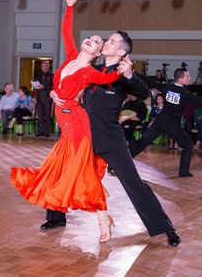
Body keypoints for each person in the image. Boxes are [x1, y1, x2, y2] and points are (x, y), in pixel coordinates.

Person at [44, 18, 181, 247]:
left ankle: (166, 228)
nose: (107, 42)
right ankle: (56, 217)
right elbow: (67, 86)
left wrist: (129, 74)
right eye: (107, 39)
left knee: (134, 183)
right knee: (61, 173)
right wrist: (53, 94)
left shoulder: (123, 75)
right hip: (84, 135)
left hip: (111, 139)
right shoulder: (91, 69)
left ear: (121, 51)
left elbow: (143, 91)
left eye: (112, 41)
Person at [11, 0, 121, 242]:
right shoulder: (71, 57)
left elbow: (110, 77)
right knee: (62, 172)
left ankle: (103, 219)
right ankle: (78, 216)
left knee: (79, 173)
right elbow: (65, 32)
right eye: (90, 38)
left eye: (95, 42)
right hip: (65, 121)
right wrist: (70, 7)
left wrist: (122, 68)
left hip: (76, 124)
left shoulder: (89, 72)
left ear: (96, 53)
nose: (90, 41)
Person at [129, 68, 202, 177]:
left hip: (160, 121)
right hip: (172, 124)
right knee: (188, 145)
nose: (190, 78)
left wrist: (133, 73)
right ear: (181, 79)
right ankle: (183, 172)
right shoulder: (185, 95)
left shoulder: (167, 88)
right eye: (187, 76)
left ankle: (116, 164)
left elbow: (150, 82)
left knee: (142, 142)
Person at [35, 61, 54, 137]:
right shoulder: (39, 75)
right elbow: (37, 84)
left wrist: (44, 87)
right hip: (39, 98)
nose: (42, 67)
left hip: (47, 98)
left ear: (48, 66)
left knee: (47, 115)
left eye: (44, 65)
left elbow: (53, 87)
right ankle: (40, 131)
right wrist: (35, 85)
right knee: (40, 116)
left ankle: (47, 132)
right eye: (42, 65)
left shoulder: (52, 76)